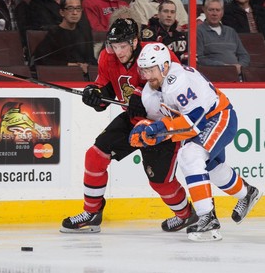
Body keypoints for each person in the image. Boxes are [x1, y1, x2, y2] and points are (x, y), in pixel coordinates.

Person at [60, 18, 198, 234]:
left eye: (123, 46)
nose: (118, 51)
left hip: (161, 126)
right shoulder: (107, 57)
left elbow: (176, 82)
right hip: (133, 122)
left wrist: (142, 94)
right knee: (95, 155)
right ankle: (92, 212)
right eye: (114, 46)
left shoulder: (156, 52)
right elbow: (104, 86)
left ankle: (186, 215)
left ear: (135, 42)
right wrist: (95, 94)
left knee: (160, 183)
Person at [130, 42, 262, 241]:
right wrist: (147, 129)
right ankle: (247, 193)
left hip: (218, 116)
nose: (147, 76)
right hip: (198, 123)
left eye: (151, 69)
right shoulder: (150, 92)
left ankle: (206, 216)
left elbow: (195, 121)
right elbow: (163, 123)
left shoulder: (179, 81)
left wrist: (160, 129)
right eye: (143, 70)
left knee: (190, 155)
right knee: (212, 168)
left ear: (165, 66)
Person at [32, 0, 96, 75]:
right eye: (70, 8)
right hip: (61, 77)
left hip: (83, 77)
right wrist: (69, 65)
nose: (75, 13)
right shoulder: (54, 34)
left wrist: (86, 65)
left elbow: (91, 59)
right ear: (62, 12)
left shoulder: (85, 33)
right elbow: (41, 61)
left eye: (78, 8)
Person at [197, 0, 250, 75]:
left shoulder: (231, 31)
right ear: (204, 10)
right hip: (214, 75)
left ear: (222, 12)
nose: (214, 13)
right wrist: (224, 67)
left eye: (218, 10)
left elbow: (244, 55)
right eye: (211, 10)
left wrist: (240, 66)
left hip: (237, 75)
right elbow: (199, 58)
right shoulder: (198, 31)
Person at [141, 0, 188, 64]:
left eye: (172, 12)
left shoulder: (180, 34)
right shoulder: (150, 32)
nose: (169, 15)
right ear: (159, 14)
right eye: (166, 11)